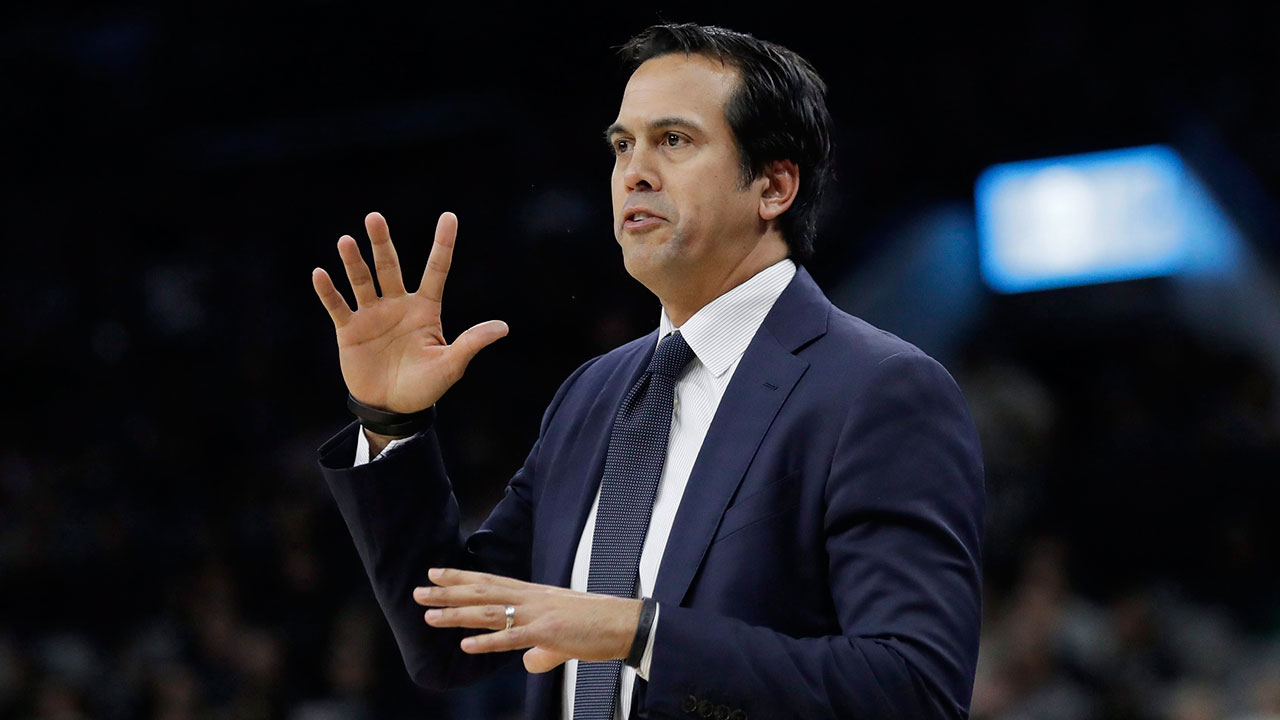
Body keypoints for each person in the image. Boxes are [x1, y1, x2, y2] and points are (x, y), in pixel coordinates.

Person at [312, 22, 985, 720]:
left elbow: (915, 690)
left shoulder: (880, 390)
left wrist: (638, 634)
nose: (633, 171)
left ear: (775, 185)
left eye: (674, 140)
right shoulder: (592, 395)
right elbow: (453, 639)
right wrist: (391, 425)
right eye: (622, 145)